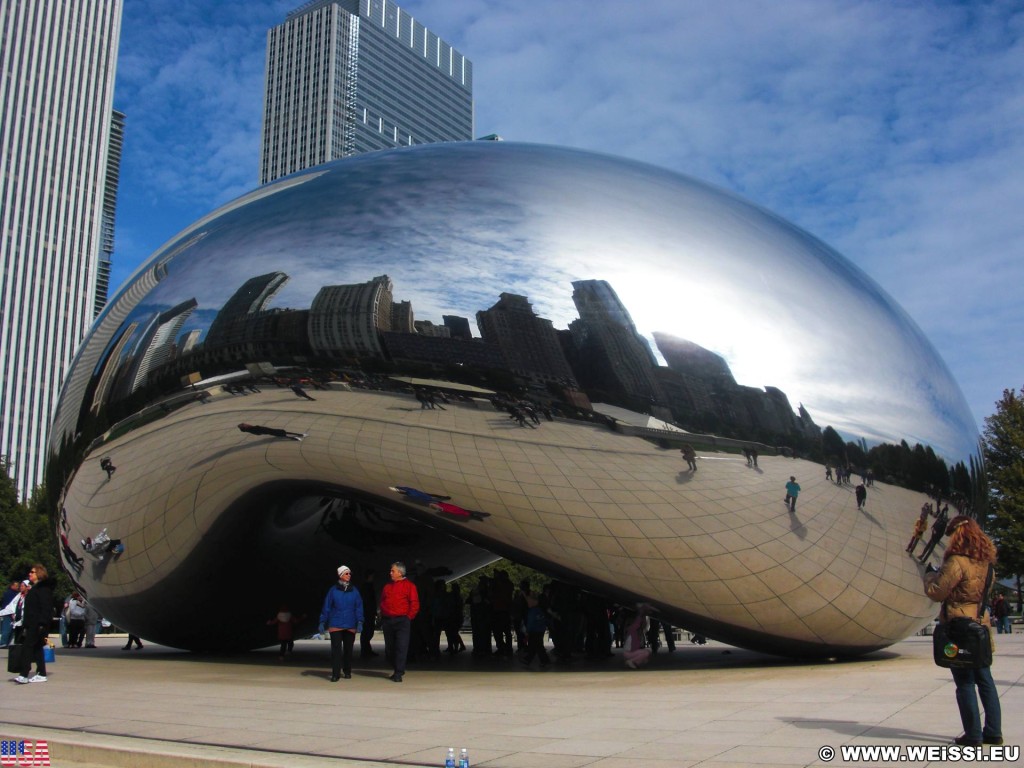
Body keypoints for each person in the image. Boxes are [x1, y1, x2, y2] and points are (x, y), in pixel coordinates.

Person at [924, 515, 1002, 747]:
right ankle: (993, 732)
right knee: (985, 679)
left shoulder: (957, 561)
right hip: (980, 624)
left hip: (959, 627)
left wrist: (929, 576)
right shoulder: (986, 564)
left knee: (965, 681)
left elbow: (937, 591)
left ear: (958, 535)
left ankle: (973, 735)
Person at [319, 566, 363, 681]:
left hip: (350, 624)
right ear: (340, 575)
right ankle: (335, 674)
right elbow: (327, 606)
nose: (349, 575)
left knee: (348, 650)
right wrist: (322, 621)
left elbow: (358, 607)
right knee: (336, 650)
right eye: (346, 573)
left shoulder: (354, 590)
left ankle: (347, 671)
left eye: (349, 574)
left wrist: (360, 621)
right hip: (336, 623)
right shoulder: (333, 590)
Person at [14, 564, 55, 684]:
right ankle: (41, 673)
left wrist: (42, 624)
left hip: (37, 624)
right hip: (32, 623)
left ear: (39, 573)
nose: (30, 574)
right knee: (37, 649)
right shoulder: (35, 588)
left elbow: (46, 608)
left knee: (27, 647)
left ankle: (24, 674)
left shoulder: (43, 589)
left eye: (32, 572)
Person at [380, 561, 419, 682]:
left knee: (401, 646)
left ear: (400, 573)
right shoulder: (387, 586)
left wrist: (408, 617)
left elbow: (414, 603)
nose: (390, 573)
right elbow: (382, 601)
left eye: (393, 571)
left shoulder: (410, 586)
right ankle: (397, 667)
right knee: (390, 648)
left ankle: (398, 672)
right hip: (388, 620)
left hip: (402, 620)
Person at [0, 580, 20, 647]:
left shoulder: (15, 594)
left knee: (11, 629)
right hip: (8, 613)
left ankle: (7, 643)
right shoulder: (10, 594)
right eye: (16, 586)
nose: (18, 587)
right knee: (7, 629)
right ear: (12, 586)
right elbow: (9, 605)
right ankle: (3, 642)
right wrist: (11, 613)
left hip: (10, 613)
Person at [237, 423, 305, 441]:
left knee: (283, 433)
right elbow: (259, 431)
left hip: (268, 431)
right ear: (245, 426)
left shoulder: (249, 429)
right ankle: (297, 437)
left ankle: (298, 435)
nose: (247, 424)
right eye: (245, 424)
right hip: (269, 431)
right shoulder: (251, 428)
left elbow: (258, 433)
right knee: (283, 434)